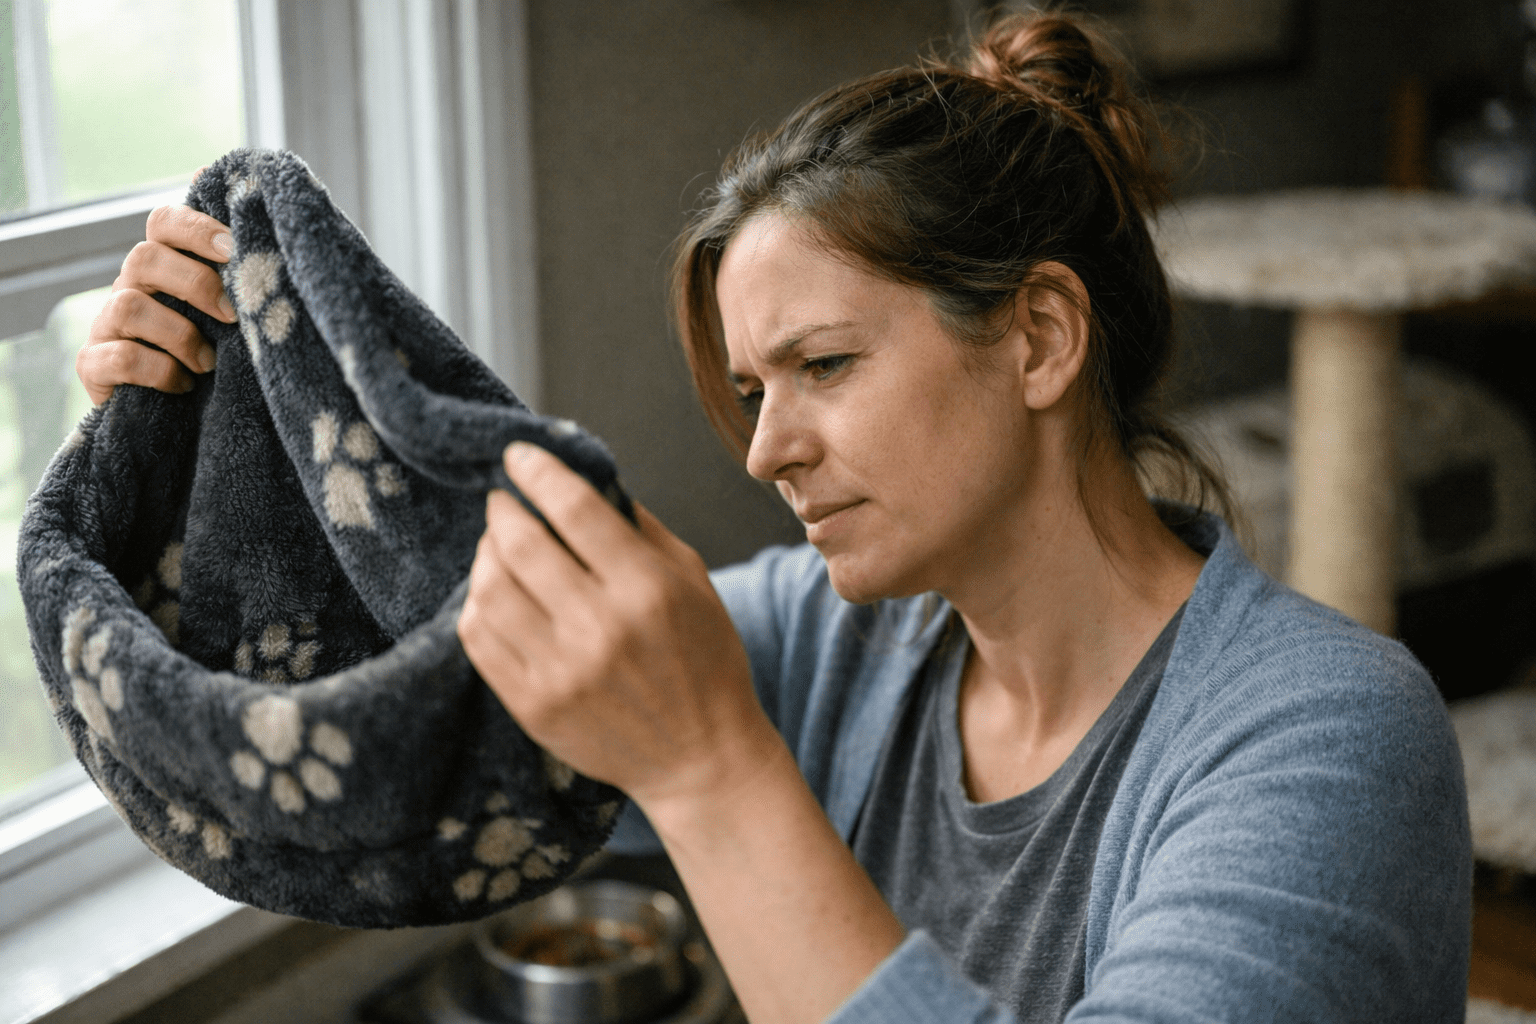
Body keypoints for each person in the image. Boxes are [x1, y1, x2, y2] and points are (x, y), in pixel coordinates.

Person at [78, 13, 1469, 1024]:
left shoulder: (1332, 741)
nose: (762, 449)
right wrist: (198, 434)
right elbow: (423, 699)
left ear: (1041, 338)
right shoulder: (835, 636)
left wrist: (709, 767)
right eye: (751, 389)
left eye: (825, 366)